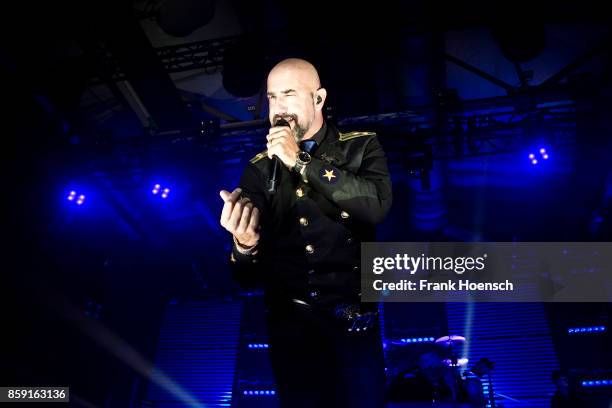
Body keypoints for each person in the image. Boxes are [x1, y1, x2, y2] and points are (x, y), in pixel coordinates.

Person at [219, 58, 392, 408]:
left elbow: (376, 206)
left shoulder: (359, 147)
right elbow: (244, 278)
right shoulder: (257, 169)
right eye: (272, 98)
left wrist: (300, 161)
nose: (279, 108)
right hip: (292, 327)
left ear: (318, 98)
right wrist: (244, 244)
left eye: (289, 95)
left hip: (353, 320)